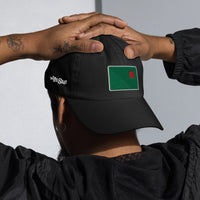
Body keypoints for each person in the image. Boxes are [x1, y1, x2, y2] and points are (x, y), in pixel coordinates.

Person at [0, 11, 200, 199]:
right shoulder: (191, 165)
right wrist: (159, 46)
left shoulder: (32, 186)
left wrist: (30, 44)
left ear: (62, 111)